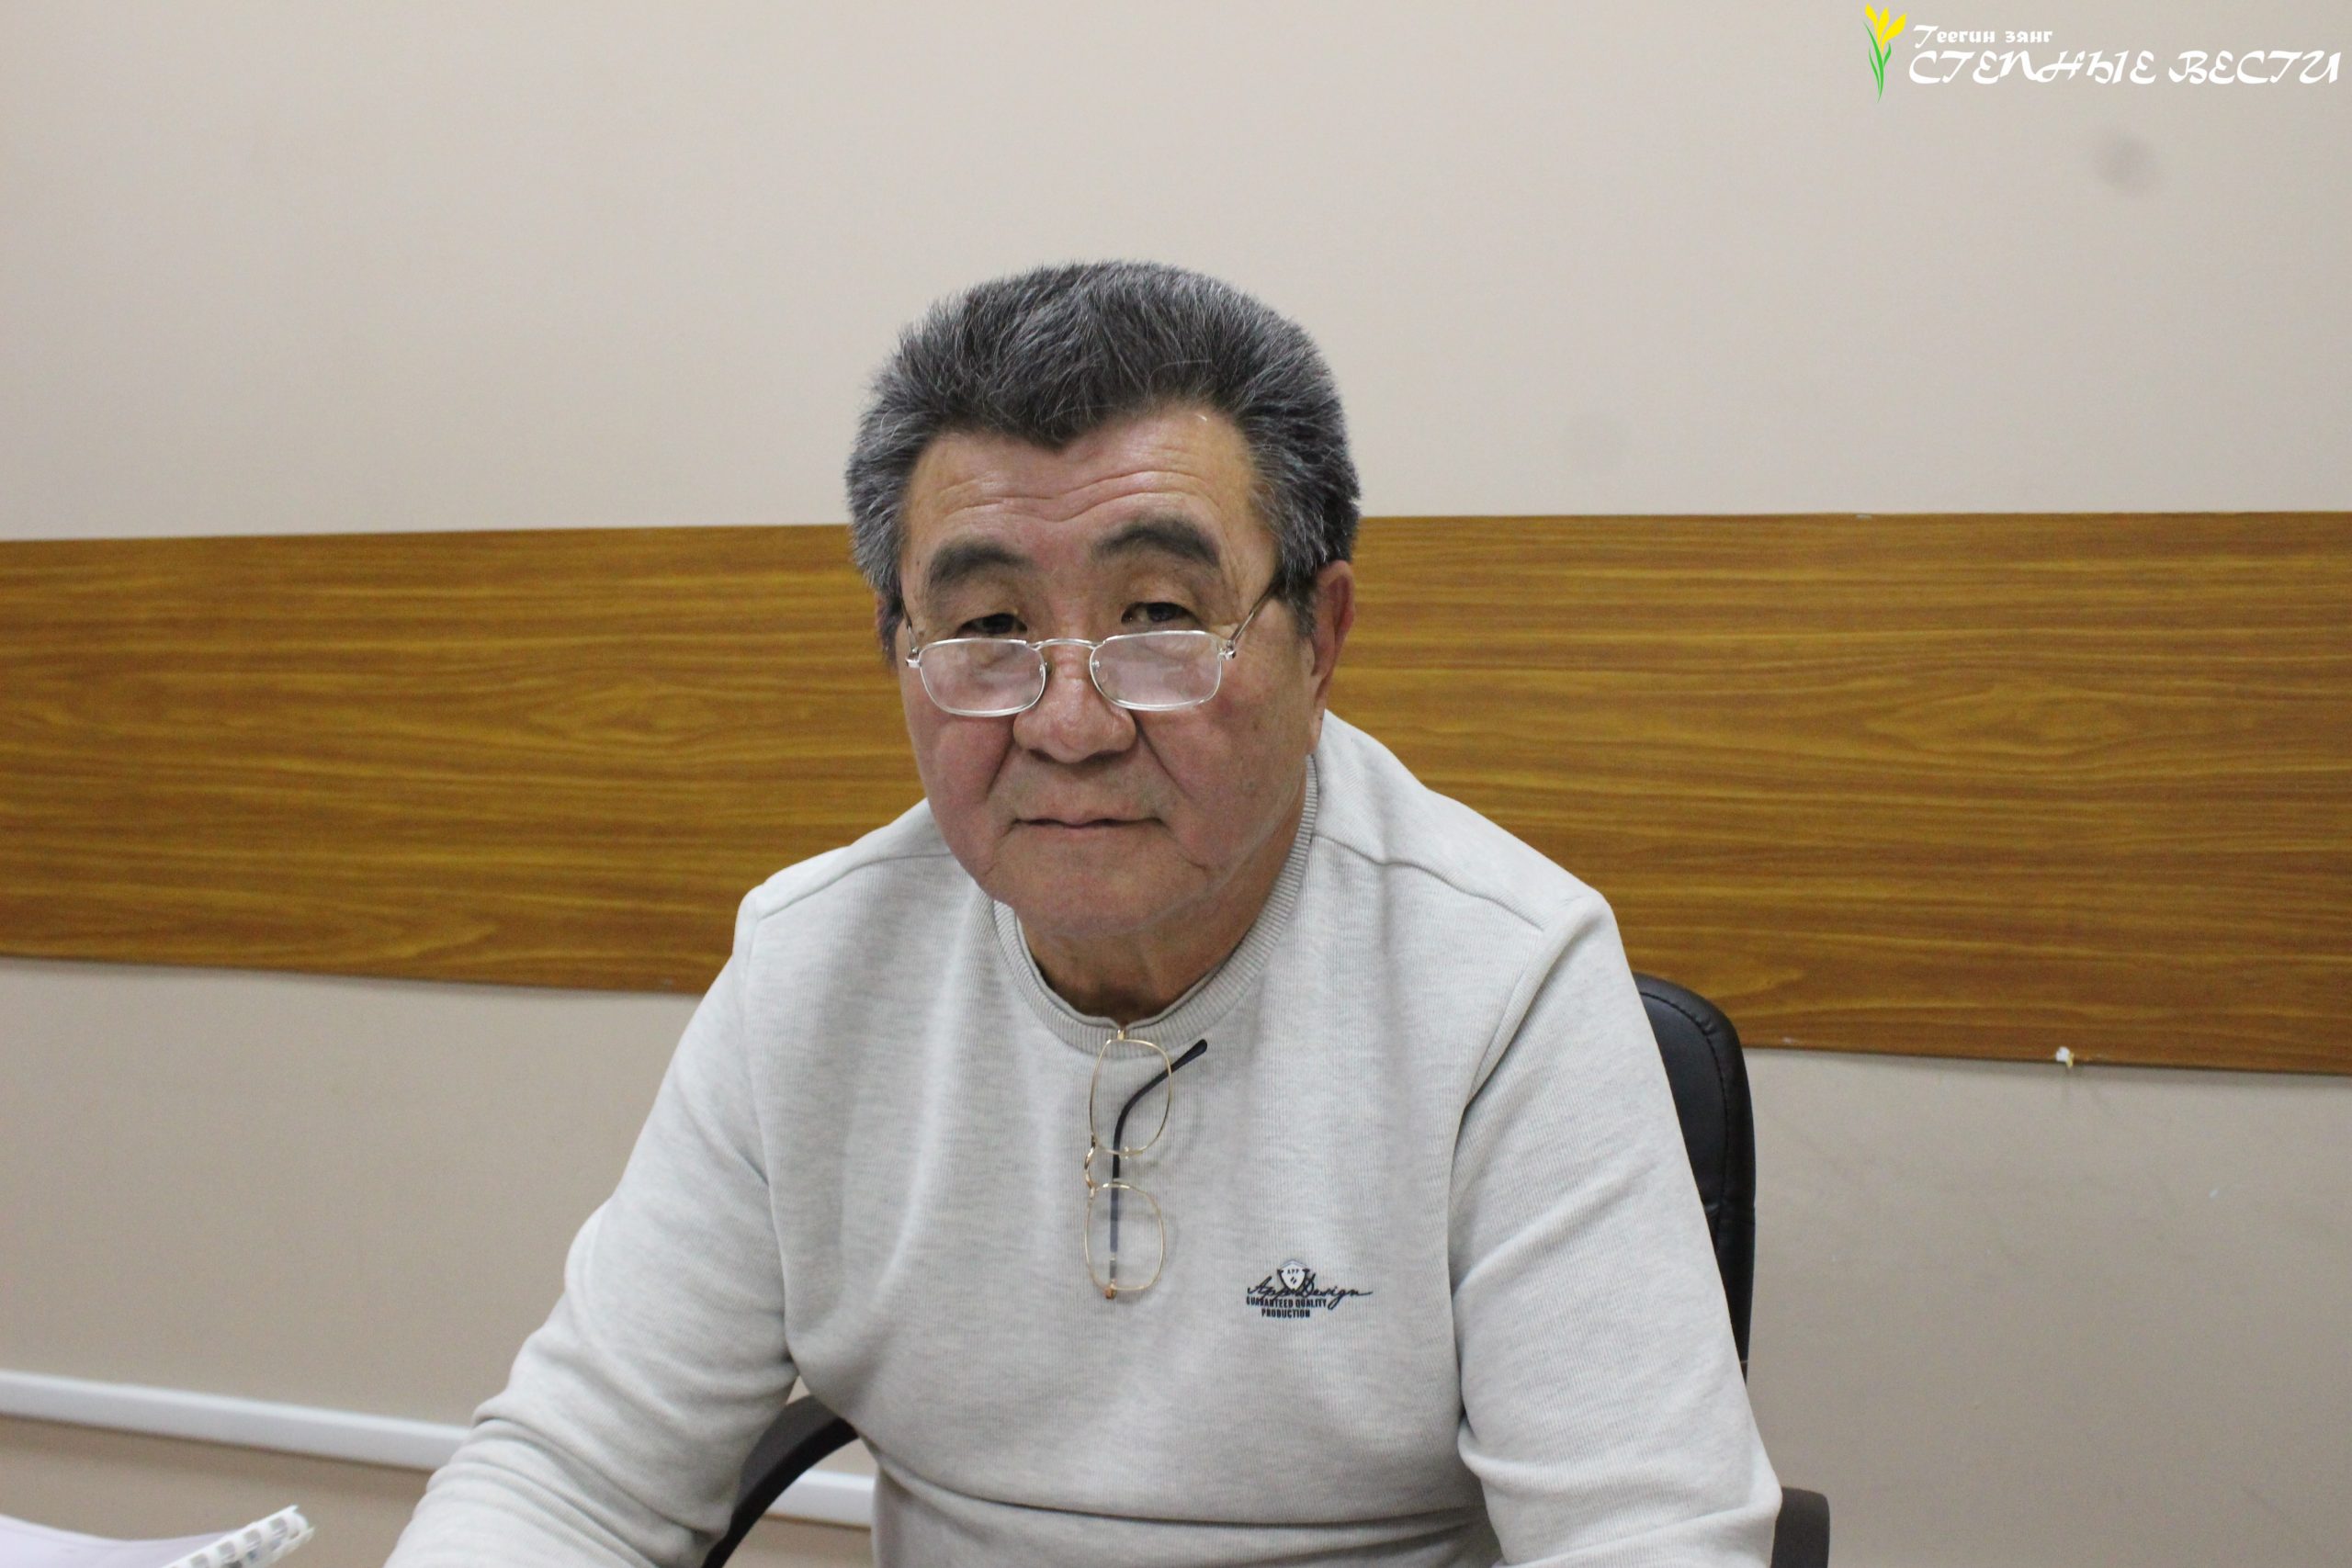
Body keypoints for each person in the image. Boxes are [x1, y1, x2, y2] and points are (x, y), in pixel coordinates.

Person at [386, 261, 1779, 1566]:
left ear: (1322, 639)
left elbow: (1646, 1536)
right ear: (901, 652)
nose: (1069, 723)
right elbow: (572, 1476)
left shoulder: (1508, 981)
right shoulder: (811, 969)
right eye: (989, 630)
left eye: (1158, 615)